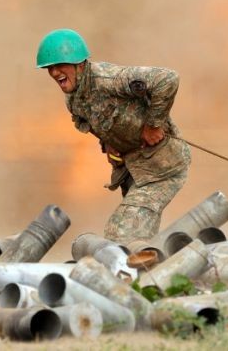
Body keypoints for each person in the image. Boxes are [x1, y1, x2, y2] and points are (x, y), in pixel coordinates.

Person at [36, 28, 191, 243]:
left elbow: (167, 79)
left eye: (59, 65)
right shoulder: (74, 99)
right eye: (49, 68)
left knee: (123, 233)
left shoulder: (109, 79)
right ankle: (153, 271)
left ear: (80, 64)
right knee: (139, 237)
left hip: (162, 167)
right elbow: (95, 122)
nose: (54, 73)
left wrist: (153, 125)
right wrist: (109, 143)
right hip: (134, 170)